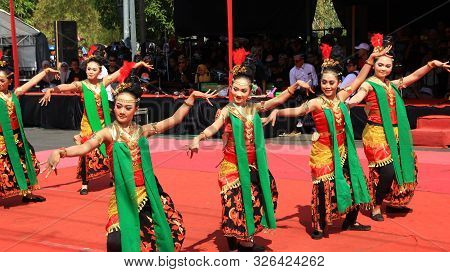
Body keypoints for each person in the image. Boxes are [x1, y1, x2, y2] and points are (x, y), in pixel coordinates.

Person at [44, 73, 217, 252]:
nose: (122, 111)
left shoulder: (142, 131)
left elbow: (173, 120)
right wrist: (61, 152)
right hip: (124, 195)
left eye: (128, 107)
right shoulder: (107, 133)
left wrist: (191, 98)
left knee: (166, 232)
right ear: (113, 108)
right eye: (119, 106)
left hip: (147, 191)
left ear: (136, 109)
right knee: (117, 241)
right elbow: (86, 147)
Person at [188, 48, 313, 251]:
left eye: (243, 90)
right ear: (231, 88)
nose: (238, 93)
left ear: (250, 91)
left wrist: (296, 85)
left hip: (253, 165)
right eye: (235, 89)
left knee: (266, 192)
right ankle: (244, 240)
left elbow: (277, 101)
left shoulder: (253, 108)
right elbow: (214, 127)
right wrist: (199, 137)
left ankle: (236, 233)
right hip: (232, 166)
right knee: (237, 200)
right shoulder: (227, 110)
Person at [264, 43, 392, 239]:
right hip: (323, 151)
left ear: (338, 82)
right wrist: (277, 111)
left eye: (331, 83)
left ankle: (351, 220)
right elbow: (297, 111)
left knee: (354, 182)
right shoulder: (316, 102)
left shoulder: (341, 97)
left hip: (343, 149)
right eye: (324, 82)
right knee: (324, 188)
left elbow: (359, 79)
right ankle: (319, 225)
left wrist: (372, 59)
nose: (327, 86)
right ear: (320, 83)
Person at [347, 33, 450, 221]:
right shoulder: (369, 85)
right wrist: (349, 104)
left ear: (392, 67)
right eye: (380, 64)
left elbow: (412, 77)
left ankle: (394, 201)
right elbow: (358, 96)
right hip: (376, 134)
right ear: (374, 65)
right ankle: (376, 206)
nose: (384, 68)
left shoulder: (391, 85)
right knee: (387, 171)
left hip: (395, 133)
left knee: (403, 166)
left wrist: (431, 65)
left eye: (388, 65)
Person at [39, 56, 152, 195]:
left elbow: (122, 71)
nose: (90, 71)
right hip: (88, 123)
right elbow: (66, 86)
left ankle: (113, 176)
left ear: (99, 71)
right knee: (86, 152)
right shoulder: (82, 85)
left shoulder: (103, 83)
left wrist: (139, 63)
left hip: (104, 122)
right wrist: (52, 90)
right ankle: (85, 183)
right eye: (88, 69)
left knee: (111, 149)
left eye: (93, 69)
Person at [0, 64, 59, 202]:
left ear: (9, 81)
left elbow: (31, 82)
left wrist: (45, 71)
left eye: (2, 80)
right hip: (2, 139)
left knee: (28, 162)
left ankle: (27, 194)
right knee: (4, 167)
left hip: (17, 136)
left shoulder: (14, 94)